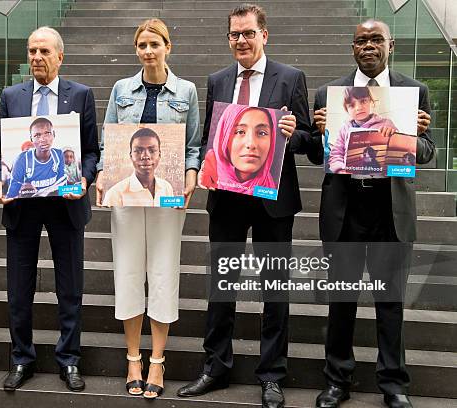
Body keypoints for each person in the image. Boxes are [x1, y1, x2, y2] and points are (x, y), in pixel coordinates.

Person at [177, 5, 314, 408]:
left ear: (264, 34)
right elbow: (209, 138)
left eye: (248, 33)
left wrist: (295, 133)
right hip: (227, 198)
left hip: (274, 201)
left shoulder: (290, 78)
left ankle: (271, 375)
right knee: (222, 288)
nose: (241, 41)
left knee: (275, 290)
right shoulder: (218, 80)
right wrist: (205, 164)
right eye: (234, 35)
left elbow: (309, 139)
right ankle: (214, 368)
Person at [308, 19, 434, 408]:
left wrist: (413, 137)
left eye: (375, 39)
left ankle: (394, 384)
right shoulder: (329, 95)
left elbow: (427, 153)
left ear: (390, 45)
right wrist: (321, 133)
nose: (368, 45)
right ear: (352, 48)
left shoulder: (415, 92)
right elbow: (318, 156)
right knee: (340, 301)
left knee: (391, 302)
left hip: (389, 209)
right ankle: (336, 381)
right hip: (345, 209)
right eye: (361, 40)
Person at [95, 18, 200, 399]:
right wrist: (103, 174)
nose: (148, 51)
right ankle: (132, 357)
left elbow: (192, 145)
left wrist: (190, 176)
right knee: (127, 272)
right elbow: (108, 139)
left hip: (168, 195)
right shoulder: (122, 88)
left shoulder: (185, 90)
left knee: (162, 272)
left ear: (168, 47)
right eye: (142, 45)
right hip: (125, 193)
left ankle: (157, 360)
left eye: (154, 44)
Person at [0, 26, 99, 392]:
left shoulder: (81, 95)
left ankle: (69, 360)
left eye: (44, 51)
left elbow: (92, 151)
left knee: (70, 288)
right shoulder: (11, 95)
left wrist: (84, 178)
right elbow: (1, 150)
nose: (36, 57)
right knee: (19, 289)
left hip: (66, 205)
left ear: (60, 57)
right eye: (31, 50)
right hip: (22, 205)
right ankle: (22, 359)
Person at [201, 105, 278, 194]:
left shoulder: (271, 188)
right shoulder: (211, 173)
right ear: (224, 136)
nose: (251, 144)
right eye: (240, 132)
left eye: (262, 133)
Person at [329, 86, 396, 173]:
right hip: (349, 176)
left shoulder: (386, 123)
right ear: (347, 110)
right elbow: (336, 154)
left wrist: (392, 133)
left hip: (378, 175)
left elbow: (396, 148)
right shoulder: (344, 129)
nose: (358, 108)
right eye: (352, 105)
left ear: (371, 102)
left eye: (363, 101)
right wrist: (340, 170)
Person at [102, 127, 174, 207]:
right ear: (131, 155)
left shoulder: (166, 187)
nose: (145, 156)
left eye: (152, 151)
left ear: (159, 155)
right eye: (138, 151)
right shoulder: (115, 193)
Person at [6, 117, 66, 198]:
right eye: (37, 135)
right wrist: (22, 194)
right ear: (31, 139)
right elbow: (11, 195)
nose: (43, 139)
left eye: (47, 133)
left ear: (54, 134)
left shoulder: (59, 155)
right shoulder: (22, 159)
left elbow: (62, 186)